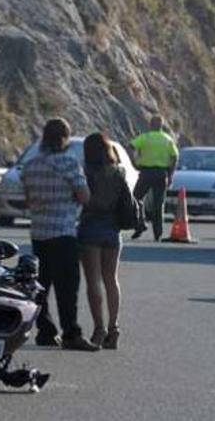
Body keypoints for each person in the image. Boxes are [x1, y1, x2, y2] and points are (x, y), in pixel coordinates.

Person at [20, 118, 98, 352]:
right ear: (64, 138)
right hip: (63, 231)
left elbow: (28, 198)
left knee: (41, 285)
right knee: (67, 287)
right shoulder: (68, 163)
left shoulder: (31, 165)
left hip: (39, 232)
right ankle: (71, 333)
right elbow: (85, 196)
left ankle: (45, 330)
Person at [78, 132, 129, 349]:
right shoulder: (119, 172)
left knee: (93, 282)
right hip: (113, 228)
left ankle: (98, 329)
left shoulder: (86, 172)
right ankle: (114, 327)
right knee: (111, 279)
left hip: (90, 227)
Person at [129, 115, 179, 241]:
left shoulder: (145, 138)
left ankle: (140, 222)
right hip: (161, 173)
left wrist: (134, 162)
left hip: (146, 172)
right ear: (162, 126)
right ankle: (158, 233)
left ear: (150, 125)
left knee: (136, 198)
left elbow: (130, 147)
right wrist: (171, 173)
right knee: (158, 203)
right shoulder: (167, 139)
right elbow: (175, 156)